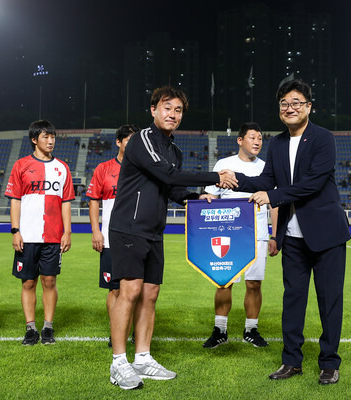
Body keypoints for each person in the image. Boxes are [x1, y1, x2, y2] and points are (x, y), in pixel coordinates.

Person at [107, 86, 237, 390]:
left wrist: (196, 196)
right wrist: (215, 177)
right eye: (167, 108)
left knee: (150, 293)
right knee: (130, 291)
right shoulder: (142, 140)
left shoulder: (174, 150)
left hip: (154, 231)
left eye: (178, 110)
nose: (173, 115)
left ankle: (142, 357)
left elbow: (172, 188)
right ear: (153, 110)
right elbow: (166, 175)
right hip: (128, 226)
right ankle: (118, 363)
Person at [225, 79, 350, 385]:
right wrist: (233, 179)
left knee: (329, 300)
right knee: (292, 300)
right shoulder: (278, 143)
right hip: (292, 237)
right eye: (284, 103)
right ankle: (291, 361)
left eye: (296, 102)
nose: (290, 108)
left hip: (327, 236)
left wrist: (274, 197)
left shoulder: (323, 138)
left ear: (309, 106)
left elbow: (313, 183)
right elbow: (267, 179)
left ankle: (329, 363)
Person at [202, 122, 279, 349]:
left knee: (254, 284)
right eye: (252, 137)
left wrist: (274, 235)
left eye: (260, 139)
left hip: (257, 235)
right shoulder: (224, 165)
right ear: (240, 140)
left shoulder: (266, 168)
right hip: (227, 235)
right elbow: (211, 197)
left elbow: (275, 203)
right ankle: (220, 330)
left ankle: (251, 330)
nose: (257, 142)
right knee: (224, 282)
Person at [5, 120, 75, 346]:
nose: (51, 140)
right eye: (46, 137)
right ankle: (30, 328)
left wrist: (68, 232)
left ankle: (47, 328)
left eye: (53, 136)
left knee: (50, 281)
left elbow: (66, 203)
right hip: (28, 235)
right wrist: (15, 231)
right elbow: (15, 201)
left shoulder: (62, 168)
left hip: (53, 236)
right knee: (27, 283)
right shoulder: (21, 165)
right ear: (34, 140)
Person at [86, 124, 139, 347]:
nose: (133, 145)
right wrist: (96, 231)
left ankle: (136, 331)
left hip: (137, 237)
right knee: (115, 288)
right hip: (110, 238)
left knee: (137, 288)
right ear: (118, 142)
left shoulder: (142, 169)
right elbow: (94, 201)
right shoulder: (103, 169)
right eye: (129, 141)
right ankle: (117, 330)